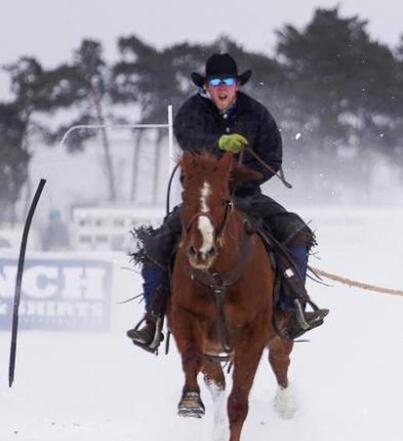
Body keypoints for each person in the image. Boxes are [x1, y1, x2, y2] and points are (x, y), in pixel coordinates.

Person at [127, 53, 328, 353]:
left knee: (295, 231)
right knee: (157, 244)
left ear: (237, 85)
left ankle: (294, 305)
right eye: (216, 82)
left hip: (246, 196)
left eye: (228, 82)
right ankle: (153, 318)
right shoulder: (192, 112)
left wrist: (245, 177)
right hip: (202, 201)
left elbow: (273, 157)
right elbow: (188, 137)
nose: (222, 87)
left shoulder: (257, 114)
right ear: (206, 86)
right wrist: (219, 143)